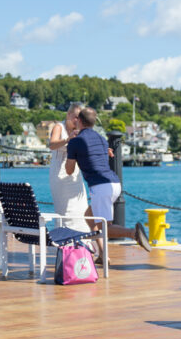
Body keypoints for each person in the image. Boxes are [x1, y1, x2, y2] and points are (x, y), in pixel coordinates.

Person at [65, 106, 151, 261]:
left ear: (79, 121)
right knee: (90, 216)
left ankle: (133, 233)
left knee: (105, 227)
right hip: (114, 184)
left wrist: (72, 149)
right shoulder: (101, 139)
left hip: (100, 187)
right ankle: (103, 254)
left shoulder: (75, 142)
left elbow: (69, 170)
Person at [48, 102, 89, 231]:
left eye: (80, 118)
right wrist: (67, 140)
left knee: (81, 207)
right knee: (64, 210)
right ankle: (65, 242)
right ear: (68, 114)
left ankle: (83, 242)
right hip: (59, 174)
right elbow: (52, 144)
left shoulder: (80, 131)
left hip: (75, 175)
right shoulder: (58, 127)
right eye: (75, 117)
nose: (77, 120)